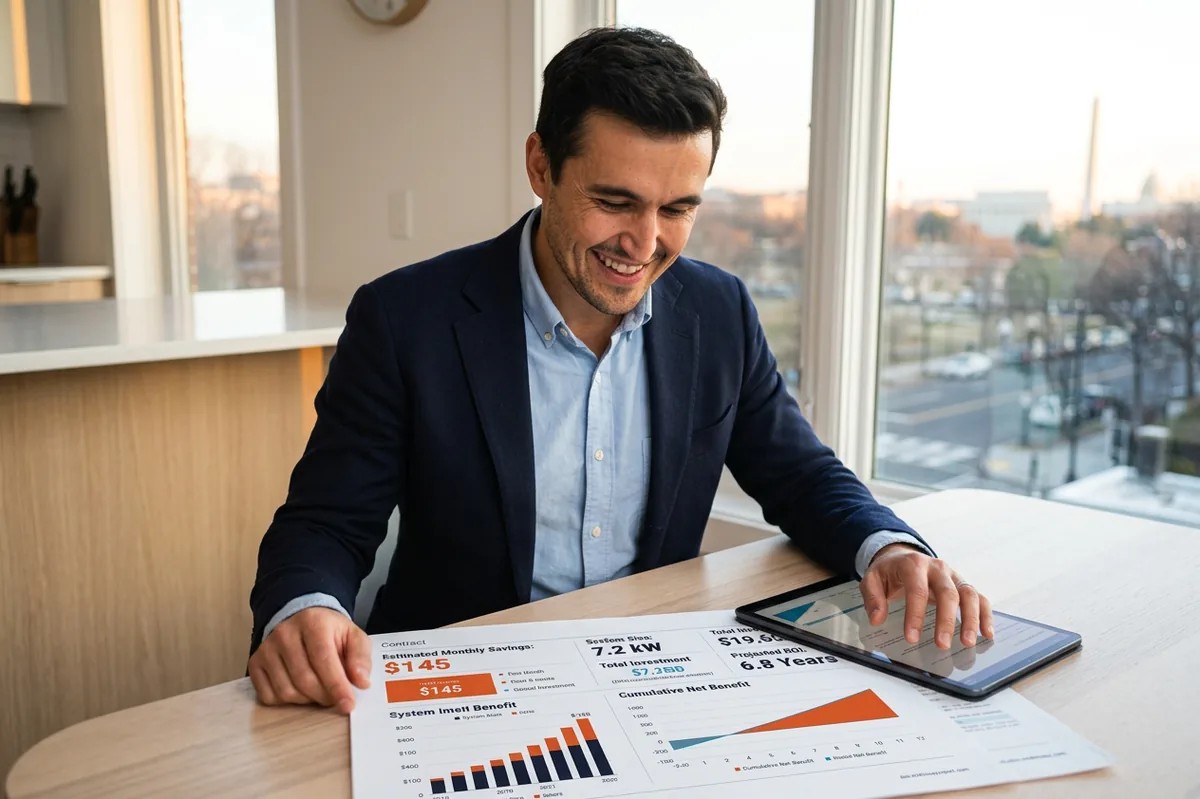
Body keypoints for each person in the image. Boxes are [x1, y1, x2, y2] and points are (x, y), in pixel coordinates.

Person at [248, 27, 992, 714]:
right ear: (541, 166)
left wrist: (890, 546)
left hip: (648, 684)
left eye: (677, 208)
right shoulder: (404, 318)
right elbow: (324, 523)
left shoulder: (719, 310)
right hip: (459, 693)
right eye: (615, 201)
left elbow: (799, 474)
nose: (645, 242)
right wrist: (306, 606)